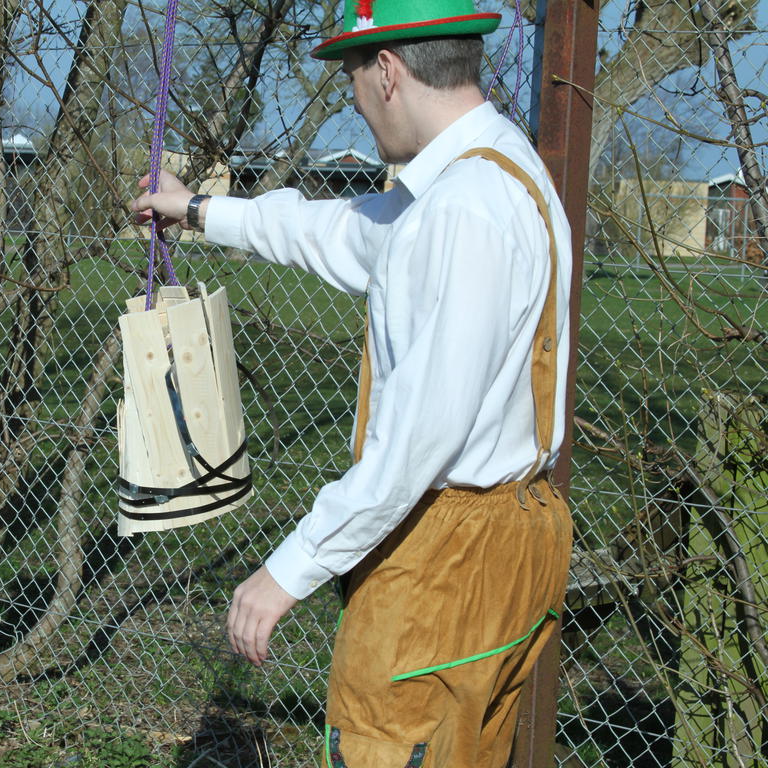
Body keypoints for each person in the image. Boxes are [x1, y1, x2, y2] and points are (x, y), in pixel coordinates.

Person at [131, 1, 573, 766]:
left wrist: (285, 572)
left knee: (383, 745)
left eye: (353, 77)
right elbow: (333, 230)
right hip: (510, 543)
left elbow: (414, 446)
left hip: (444, 555)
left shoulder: (462, 211)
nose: (354, 99)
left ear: (390, 70)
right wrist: (199, 210)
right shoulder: (496, 170)